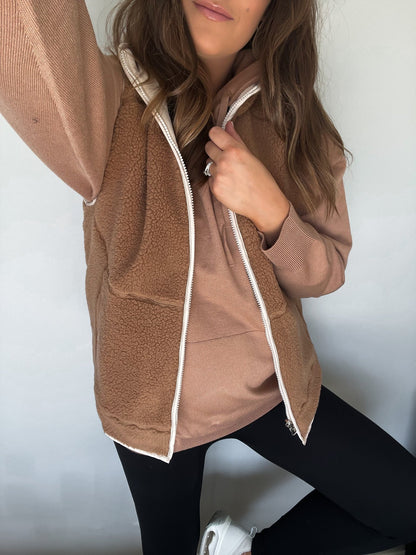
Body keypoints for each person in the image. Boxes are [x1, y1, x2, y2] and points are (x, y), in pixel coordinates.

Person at [1, 1, 415, 554]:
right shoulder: (109, 102)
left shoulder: (291, 117)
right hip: (153, 409)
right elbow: (28, 27)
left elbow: (326, 272)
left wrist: (273, 212)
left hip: (272, 387)